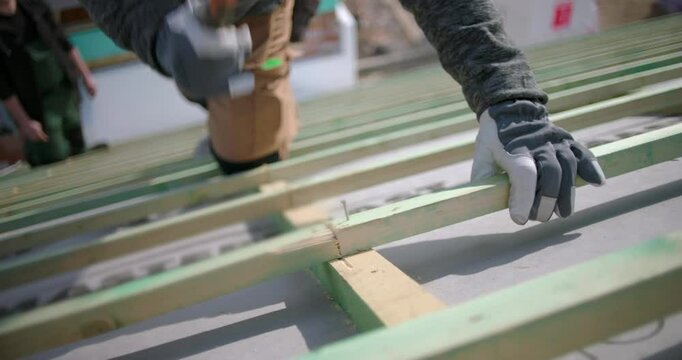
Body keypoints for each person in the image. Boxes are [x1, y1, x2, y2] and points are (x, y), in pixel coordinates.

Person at [78, 0, 606, 225]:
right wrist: (160, 35)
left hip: (254, 16)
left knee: (251, 147)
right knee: (228, 114)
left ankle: (268, 77)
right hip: (185, 14)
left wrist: (508, 99)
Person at [0, 0, 97, 167]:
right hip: (35, 110)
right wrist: (24, 123)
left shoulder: (36, 8)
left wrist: (87, 76)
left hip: (64, 93)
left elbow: (65, 43)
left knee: (79, 150)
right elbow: (3, 88)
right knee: (53, 157)